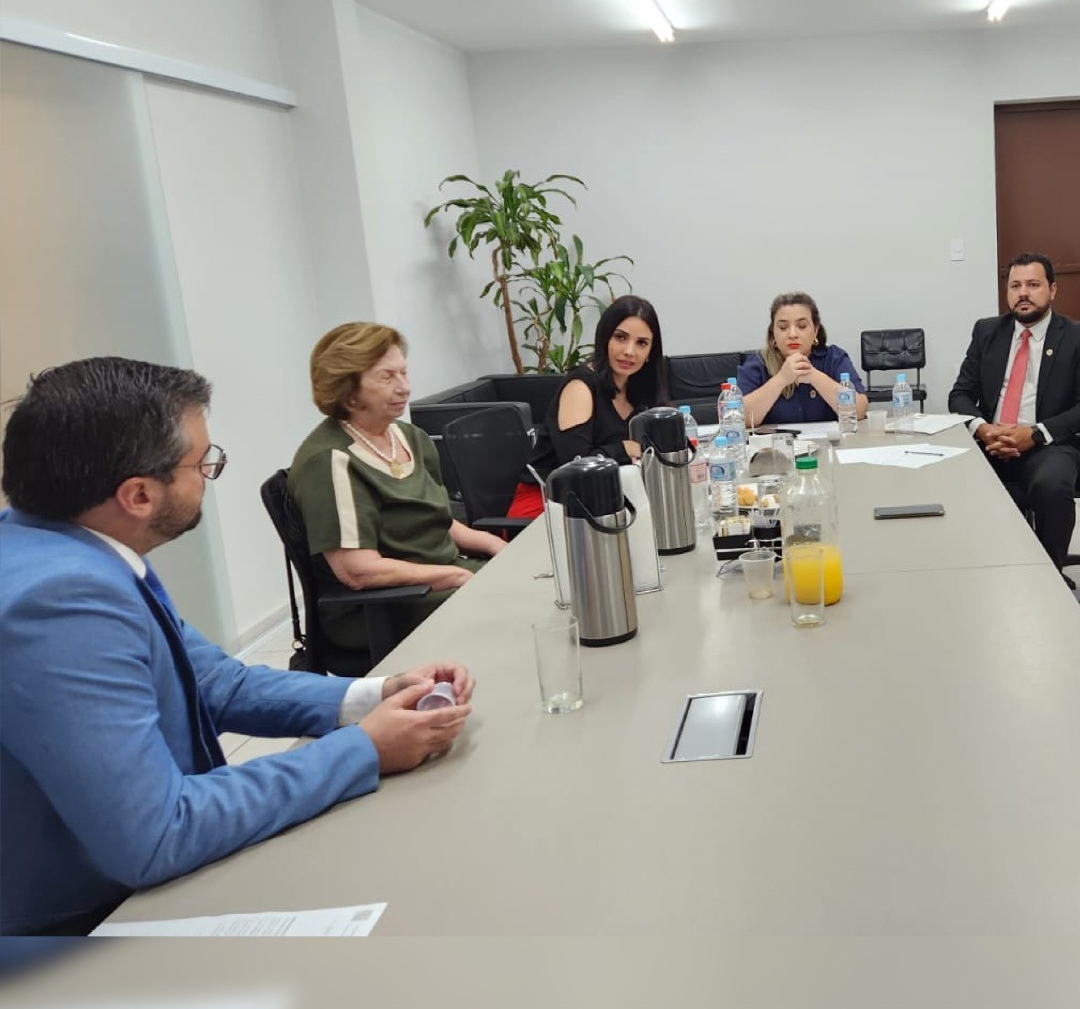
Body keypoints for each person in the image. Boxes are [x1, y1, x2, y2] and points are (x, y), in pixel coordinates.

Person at [0, 357, 477, 935]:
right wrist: (366, 750)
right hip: (78, 929)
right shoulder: (61, 602)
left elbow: (218, 683)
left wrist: (376, 695)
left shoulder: (60, 550)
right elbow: (159, 833)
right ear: (139, 495)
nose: (208, 475)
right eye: (204, 463)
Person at [289, 323, 504, 658]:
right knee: (514, 612)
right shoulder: (331, 462)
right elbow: (358, 571)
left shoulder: (409, 437)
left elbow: (437, 519)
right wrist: (454, 576)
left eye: (404, 373)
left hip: (442, 579)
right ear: (348, 390)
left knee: (535, 584)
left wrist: (496, 546)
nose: (405, 387)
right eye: (387, 377)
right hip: (389, 605)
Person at [949, 253, 1080, 573]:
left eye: (1033, 285)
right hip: (991, 442)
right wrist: (983, 429)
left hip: (1049, 444)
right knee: (951, 482)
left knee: (1051, 486)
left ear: (1052, 290)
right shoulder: (987, 332)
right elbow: (960, 394)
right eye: (1015, 286)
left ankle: (1049, 575)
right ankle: (984, 571)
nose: (1023, 293)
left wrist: (1034, 434)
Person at [530, 294, 669, 480]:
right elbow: (575, 465)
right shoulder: (580, 386)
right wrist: (623, 449)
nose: (629, 351)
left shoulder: (641, 386)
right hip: (547, 492)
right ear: (605, 338)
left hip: (613, 489)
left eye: (641, 343)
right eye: (620, 337)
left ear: (650, 351)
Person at [736, 291, 867, 427]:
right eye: (783, 327)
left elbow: (859, 411)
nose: (792, 334)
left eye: (802, 326)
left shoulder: (834, 358)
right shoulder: (758, 363)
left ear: (815, 330)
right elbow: (739, 418)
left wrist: (814, 376)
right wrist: (782, 379)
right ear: (773, 333)